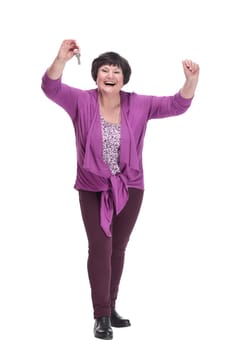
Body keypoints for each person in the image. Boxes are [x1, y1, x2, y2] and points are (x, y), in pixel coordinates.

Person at [41, 39, 199, 340]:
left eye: (115, 70)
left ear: (124, 78)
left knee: (117, 249)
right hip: (93, 187)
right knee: (99, 248)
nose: (109, 74)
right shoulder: (81, 101)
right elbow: (51, 88)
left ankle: (111, 308)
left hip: (130, 187)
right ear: (96, 76)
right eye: (104, 70)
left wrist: (190, 82)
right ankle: (100, 315)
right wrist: (60, 59)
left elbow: (177, 105)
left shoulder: (138, 103)